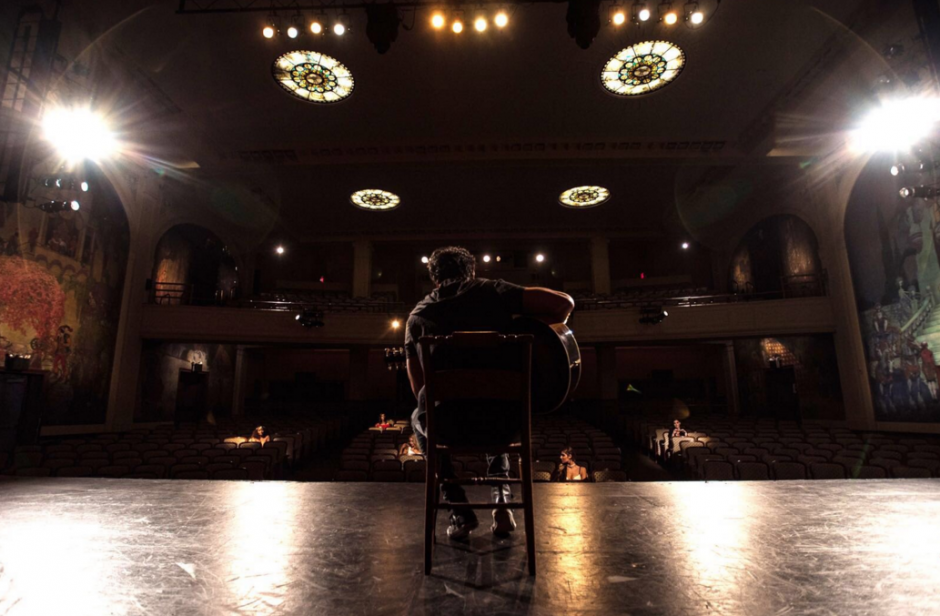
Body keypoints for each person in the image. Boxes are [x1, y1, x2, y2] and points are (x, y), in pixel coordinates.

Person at [405, 246, 574, 540]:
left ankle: (459, 511)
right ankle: (502, 504)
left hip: (449, 428)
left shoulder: (416, 318)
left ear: (434, 279)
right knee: (499, 405)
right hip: (504, 426)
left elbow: (419, 389)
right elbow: (563, 304)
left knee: (419, 416)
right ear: (471, 272)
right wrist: (535, 330)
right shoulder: (492, 291)